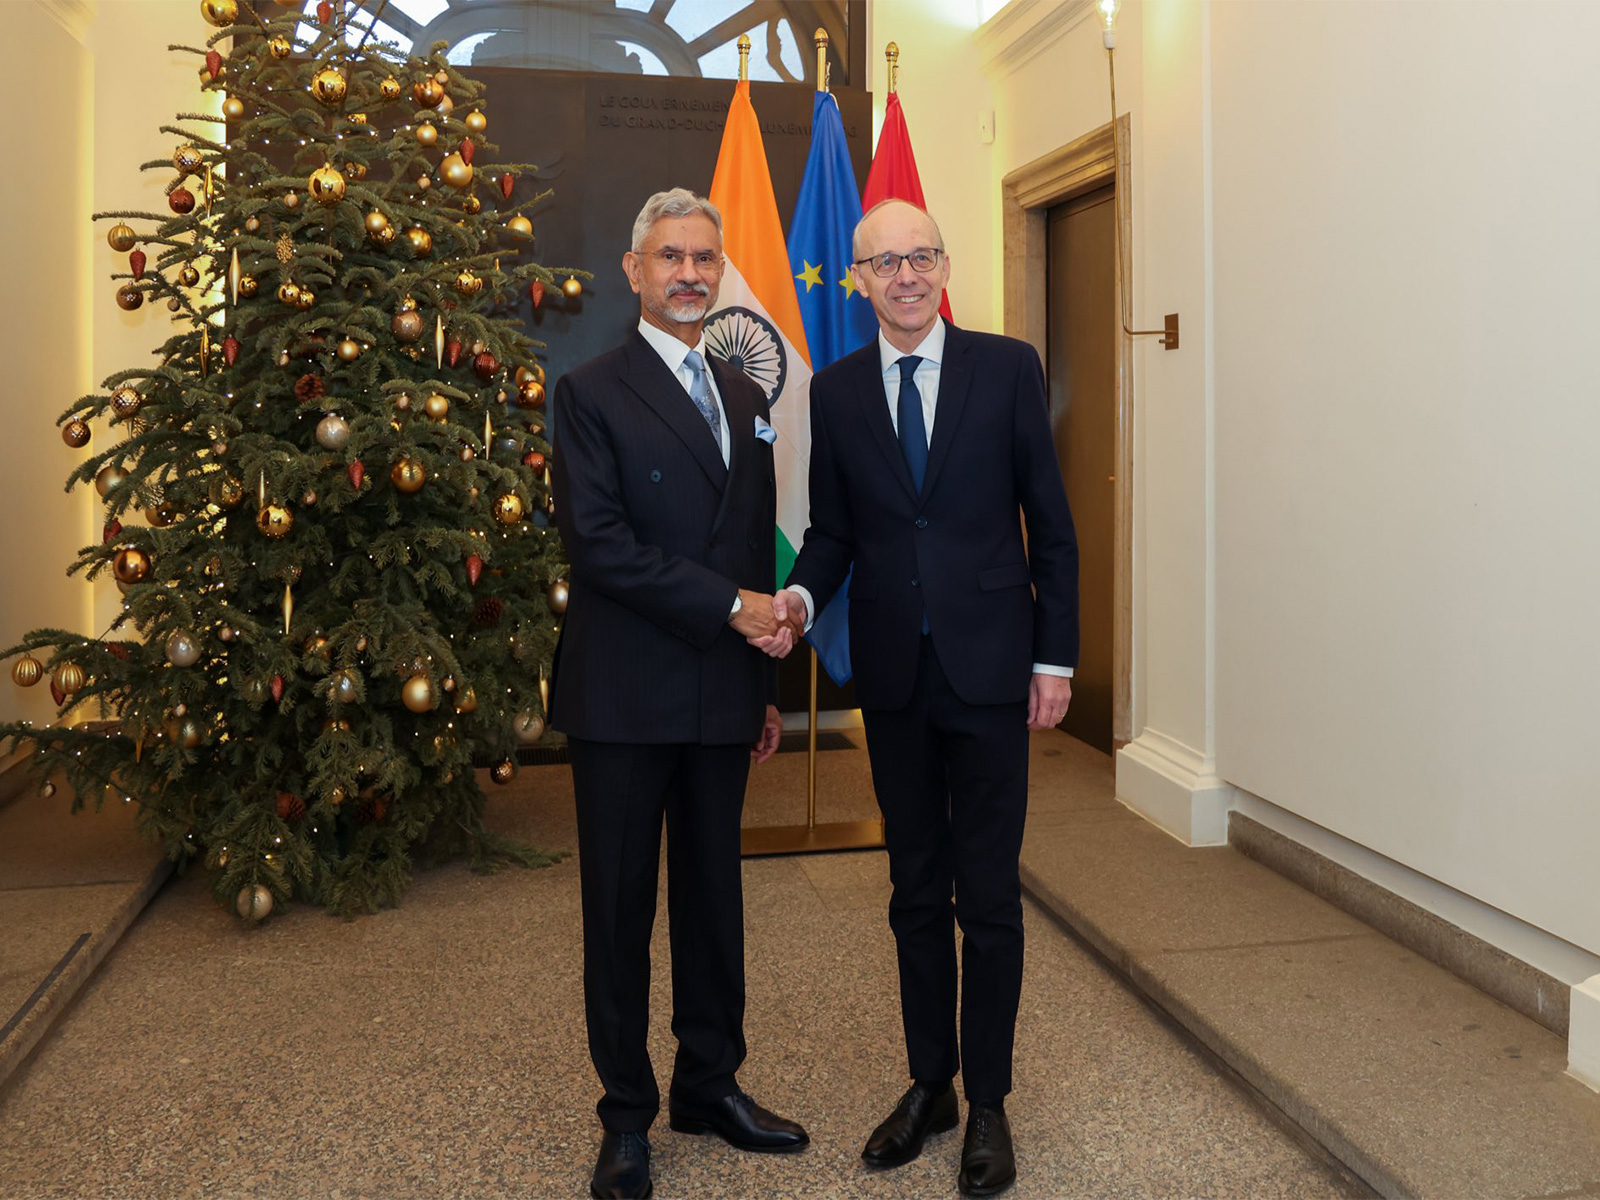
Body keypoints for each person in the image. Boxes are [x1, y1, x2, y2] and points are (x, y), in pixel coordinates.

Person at [762, 198, 1079, 1198]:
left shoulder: (1008, 368)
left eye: (918, 257)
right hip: (894, 678)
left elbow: (1052, 526)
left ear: (943, 266)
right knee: (912, 892)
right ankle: (928, 1085)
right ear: (856, 283)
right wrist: (803, 594)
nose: (902, 276)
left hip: (992, 672)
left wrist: (1055, 660)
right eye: (880, 263)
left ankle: (988, 1100)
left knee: (987, 896)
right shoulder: (842, 391)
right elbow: (832, 531)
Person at [550, 187, 809, 1200]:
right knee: (618, 913)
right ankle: (626, 1118)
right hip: (622, 698)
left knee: (713, 903)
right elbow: (600, 549)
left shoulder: (744, 398)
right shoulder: (590, 390)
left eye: (705, 257)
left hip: (719, 692)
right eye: (670, 257)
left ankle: (711, 1084)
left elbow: (750, 546)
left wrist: (765, 682)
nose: (691, 273)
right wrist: (736, 610)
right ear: (634, 271)